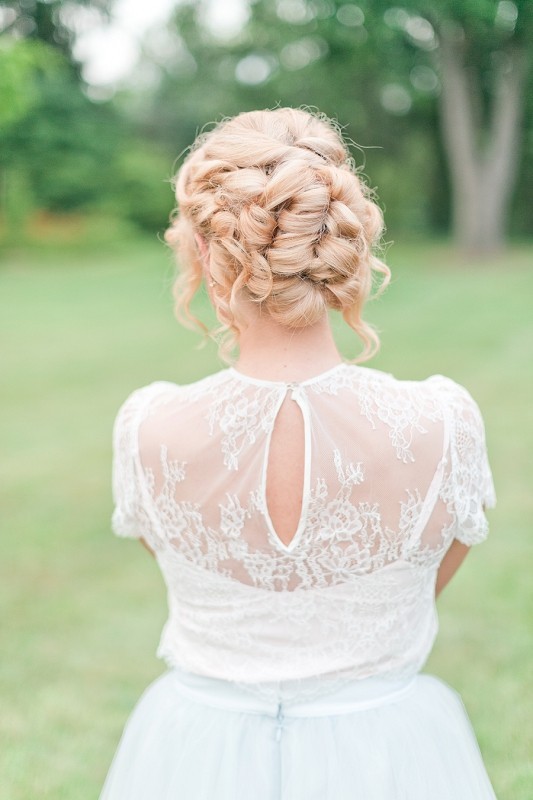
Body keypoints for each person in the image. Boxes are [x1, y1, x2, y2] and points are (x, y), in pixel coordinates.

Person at [100, 107, 497, 799]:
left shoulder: (148, 427)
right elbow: (415, 587)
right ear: (344, 233)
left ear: (201, 245)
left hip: (195, 756)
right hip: (386, 754)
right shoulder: (441, 422)